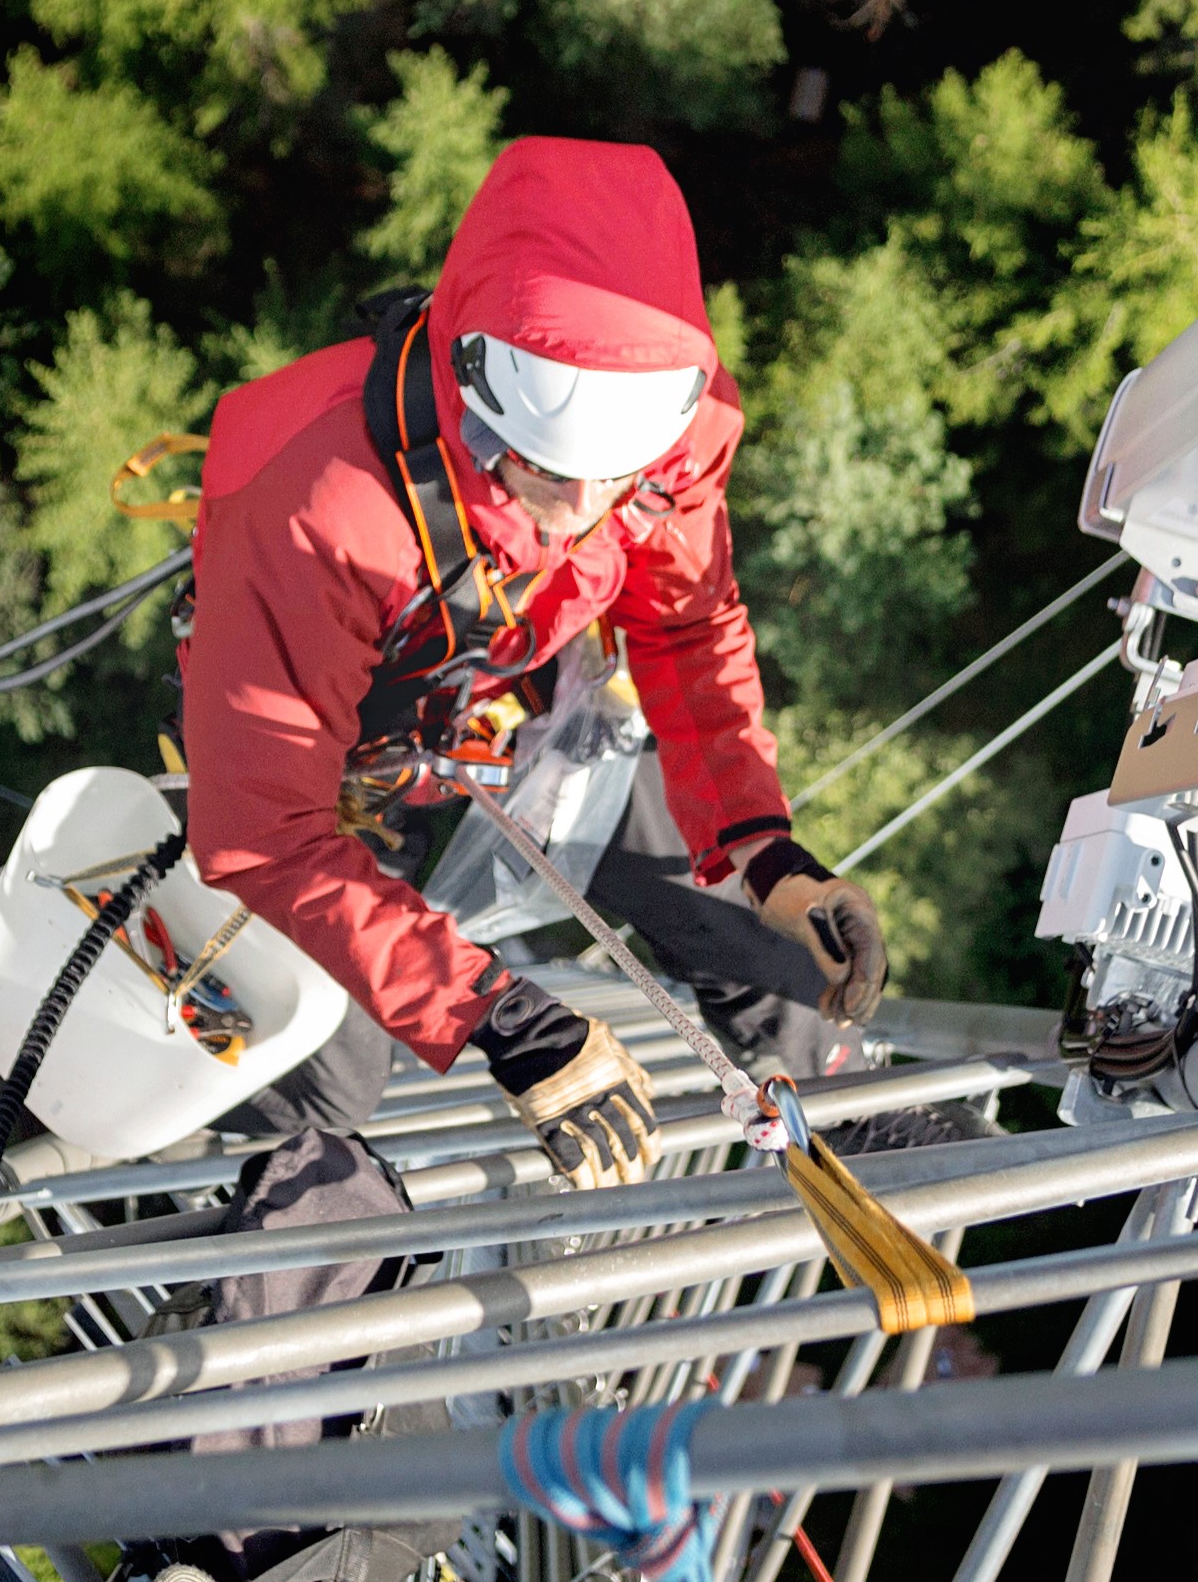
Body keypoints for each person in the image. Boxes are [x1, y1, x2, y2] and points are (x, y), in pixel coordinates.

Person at [176, 137, 888, 1190]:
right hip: (331, 788)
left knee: (774, 958)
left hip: (513, 719)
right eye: (546, 472)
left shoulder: (669, 425)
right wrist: (495, 1013)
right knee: (335, 1089)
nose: (582, 511)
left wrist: (761, 846)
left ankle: (842, 1128)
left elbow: (686, 627)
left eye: (616, 481)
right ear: (477, 400)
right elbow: (260, 836)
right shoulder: (316, 500)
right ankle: (216, 1180)